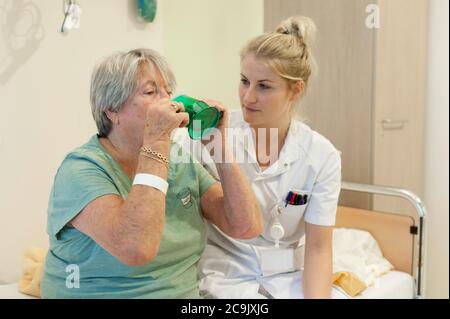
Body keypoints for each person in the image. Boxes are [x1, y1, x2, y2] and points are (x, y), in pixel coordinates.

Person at [40, 48, 263, 299]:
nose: (169, 101)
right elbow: (136, 249)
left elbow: (245, 227)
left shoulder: (178, 160)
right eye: (150, 91)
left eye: (167, 90)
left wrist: (220, 150)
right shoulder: (80, 170)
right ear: (111, 110)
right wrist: (156, 142)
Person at [190, 16, 344, 299]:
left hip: (287, 277)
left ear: (295, 90)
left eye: (264, 86)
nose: (248, 97)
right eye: (244, 81)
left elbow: (319, 249)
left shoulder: (321, 157)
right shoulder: (211, 134)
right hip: (223, 275)